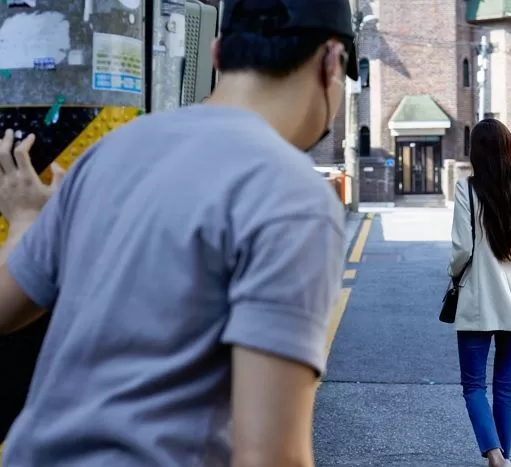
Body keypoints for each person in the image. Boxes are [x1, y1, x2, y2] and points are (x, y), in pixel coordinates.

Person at [0, 0, 358, 465]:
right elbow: (270, 456)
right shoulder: (290, 192)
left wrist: (26, 219)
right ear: (331, 61)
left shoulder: (110, 152)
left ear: (216, 55)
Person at [448, 119, 511, 467]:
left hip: (478, 303)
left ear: (476, 153)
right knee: (505, 385)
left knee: (474, 386)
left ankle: (495, 456)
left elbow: (461, 250)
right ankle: (503, 459)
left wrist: (453, 277)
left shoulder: (466, 190)